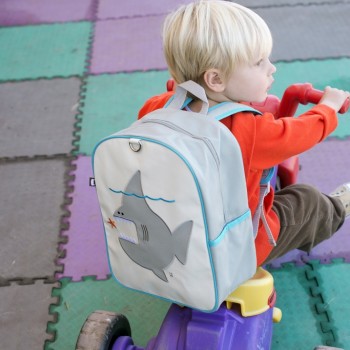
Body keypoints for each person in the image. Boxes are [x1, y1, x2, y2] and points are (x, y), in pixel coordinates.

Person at [138, 0, 350, 266]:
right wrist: (327, 108)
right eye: (259, 62)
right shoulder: (247, 130)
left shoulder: (155, 108)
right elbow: (301, 133)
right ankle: (338, 208)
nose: (271, 68)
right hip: (232, 252)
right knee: (307, 202)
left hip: (171, 237)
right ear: (215, 80)